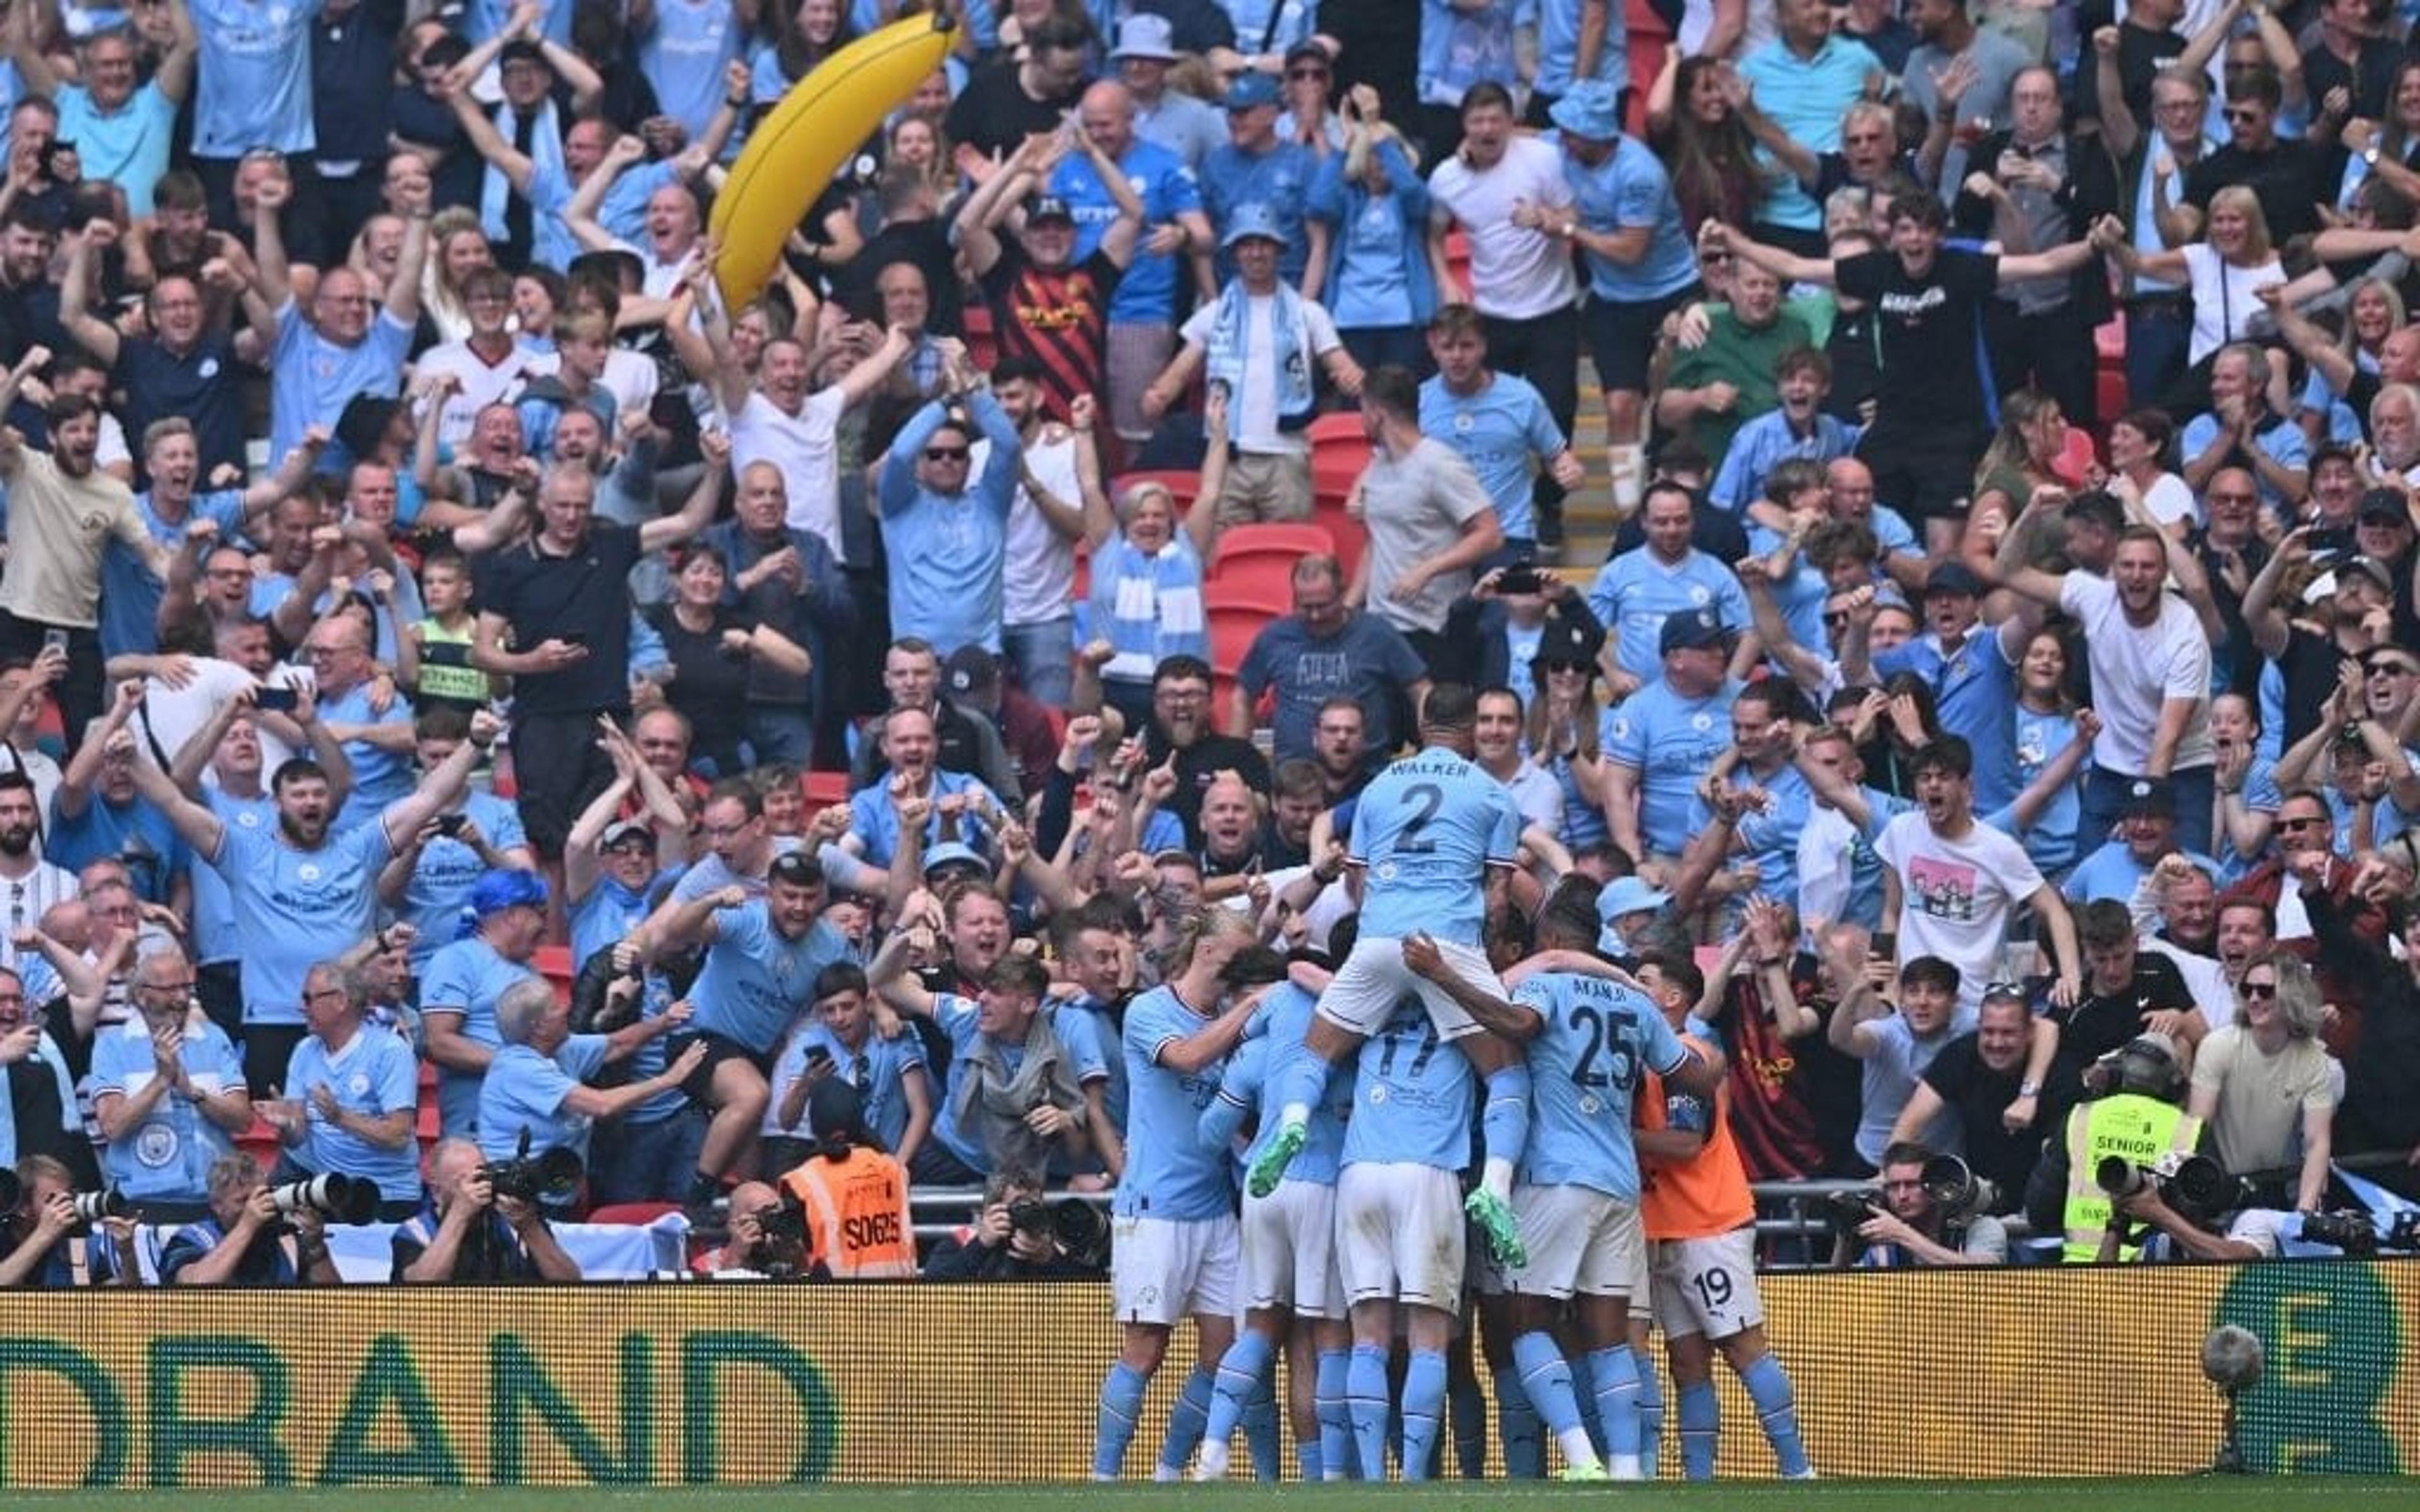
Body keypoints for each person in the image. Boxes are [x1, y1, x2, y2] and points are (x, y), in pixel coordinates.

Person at [1248, 684, 1535, 1270]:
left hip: (1381, 937)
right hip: (1448, 942)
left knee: (1316, 1053)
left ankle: (1294, 1122)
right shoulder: (1491, 794)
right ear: (1473, 731)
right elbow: (1500, 895)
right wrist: (1479, 958)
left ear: (1422, 726)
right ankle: (1496, 1190)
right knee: (1507, 1077)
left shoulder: (1378, 788)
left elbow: (1356, 882)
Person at [1466, 892, 1717, 1482]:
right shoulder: (1637, 1002)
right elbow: (1697, 1079)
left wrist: (1447, 981)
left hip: (1554, 1178)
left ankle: (1582, 1460)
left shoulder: (1544, 986)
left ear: (1550, 943)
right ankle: (1629, 1469)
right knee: (1610, 1340)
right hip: (1619, 1184)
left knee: (1528, 1324)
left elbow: (1517, 1024)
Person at [1090, 907, 1260, 1482]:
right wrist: (1253, 1006)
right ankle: (1105, 1478)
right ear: (1209, 949)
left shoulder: (1230, 1023)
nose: (1249, 963)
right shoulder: (1149, 1010)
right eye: (1243, 950)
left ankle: (1168, 1473)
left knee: (1225, 1350)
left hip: (1214, 1209)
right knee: (1145, 1349)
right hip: (1154, 1209)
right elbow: (1186, 1058)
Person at [1631, 949, 1814, 1480]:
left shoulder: (1688, 1057)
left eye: (1644, 981)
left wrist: (1616, 1137)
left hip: (1710, 1224)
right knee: (1686, 1361)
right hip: (1664, 1229)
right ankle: (1698, 1482)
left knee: (1742, 1346)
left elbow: (1685, 1146)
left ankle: (1798, 1469)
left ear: (1673, 998)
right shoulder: (1645, 1061)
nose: (1632, 988)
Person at [650, 850, 847, 1216]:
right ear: (770, 892)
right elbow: (677, 932)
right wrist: (710, 900)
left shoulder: (831, 943)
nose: (800, 907)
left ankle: (745, 1242)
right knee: (753, 1095)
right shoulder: (745, 918)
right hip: (698, 1037)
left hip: (753, 1056)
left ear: (821, 896)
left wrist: (882, 1010)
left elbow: (858, 985)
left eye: (809, 897)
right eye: (790, 896)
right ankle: (696, 1201)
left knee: (753, 1180)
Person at [1348, 364, 1503, 667]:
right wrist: (1350, 604)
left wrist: (1427, 569)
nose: (1361, 420)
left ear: (1377, 413)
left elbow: (1490, 534)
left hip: (1433, 628)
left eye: (1363, 410)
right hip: (1382, 626)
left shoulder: (1439, 464)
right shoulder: (1377, 466)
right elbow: (1375, 541)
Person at [89, 942, 251, 1218]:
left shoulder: (214, 1039)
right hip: (145, 1202)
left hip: (213, 1201)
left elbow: (243, 1120)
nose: (181, 998)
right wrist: (161, 1082)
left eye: (185, 987)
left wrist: (195, 1093)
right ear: (141, 995)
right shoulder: (113, 1047)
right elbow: (112, 1127)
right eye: (169, 990)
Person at [255, 960, 423, 1222]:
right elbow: (296, 1137)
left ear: (341, 1001)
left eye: (308, 999)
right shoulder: (305, 1051)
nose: (301, 1007)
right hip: (331, 1192)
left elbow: (398, 1135)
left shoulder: (390, 1052)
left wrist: (340, 1117)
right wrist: (286, 1125)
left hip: (387, 1195)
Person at [2024, 1031, 2204, 1263]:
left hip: (2079, 1271)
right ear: (2174, 1082)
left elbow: (2040, 1209)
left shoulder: (2080, 1117)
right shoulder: (2189, 1130)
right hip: (2155, 1279)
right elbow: (2197, 1219)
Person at [2188, 952, 2335, 1213]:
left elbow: (2317, 1142)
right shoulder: (2218, 1045)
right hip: (2219, 1179)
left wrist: (2304, 1214)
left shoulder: (2315, 1059)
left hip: (2278, 1184)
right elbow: (2197, 1126)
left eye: (2265, 991)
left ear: (2292, 996)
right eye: (2248, 990)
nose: (2254, 999)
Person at [772, 1074, 916, 1279]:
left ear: (816, 1128)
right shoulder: (894, 1170)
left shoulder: (802, 1182)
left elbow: (792, 1256)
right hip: (902, 1303)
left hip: (839, 1305)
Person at [391, 1136, 584, 1282]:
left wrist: (530, 1229)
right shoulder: (417, 1231)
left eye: (482, 1174)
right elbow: (420, 1290)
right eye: (462, 1181)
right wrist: (459, 1216)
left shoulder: (514, 1220)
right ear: (435, 1188)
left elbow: (571, 1285)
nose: (478, 1186)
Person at [157, 1152, 338, 1286]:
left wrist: (316, 1249)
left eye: (260, 1196)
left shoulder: (285, 1237)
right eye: (243, 1200)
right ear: (217, 1205)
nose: (255, 1205)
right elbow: (194, 1288)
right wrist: (248, 1225)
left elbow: (336, 1306)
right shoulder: (190, 1239)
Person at [1843, 1140, 2010, 1266]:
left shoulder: (1983, 1227)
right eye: (1894, 1186)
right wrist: (1844, 1233)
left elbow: (1983, 1277)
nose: (1902, 1196)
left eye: (1911, 1185)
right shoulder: (1885, 1236)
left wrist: (1903, 1235)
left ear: (1935, 1184)